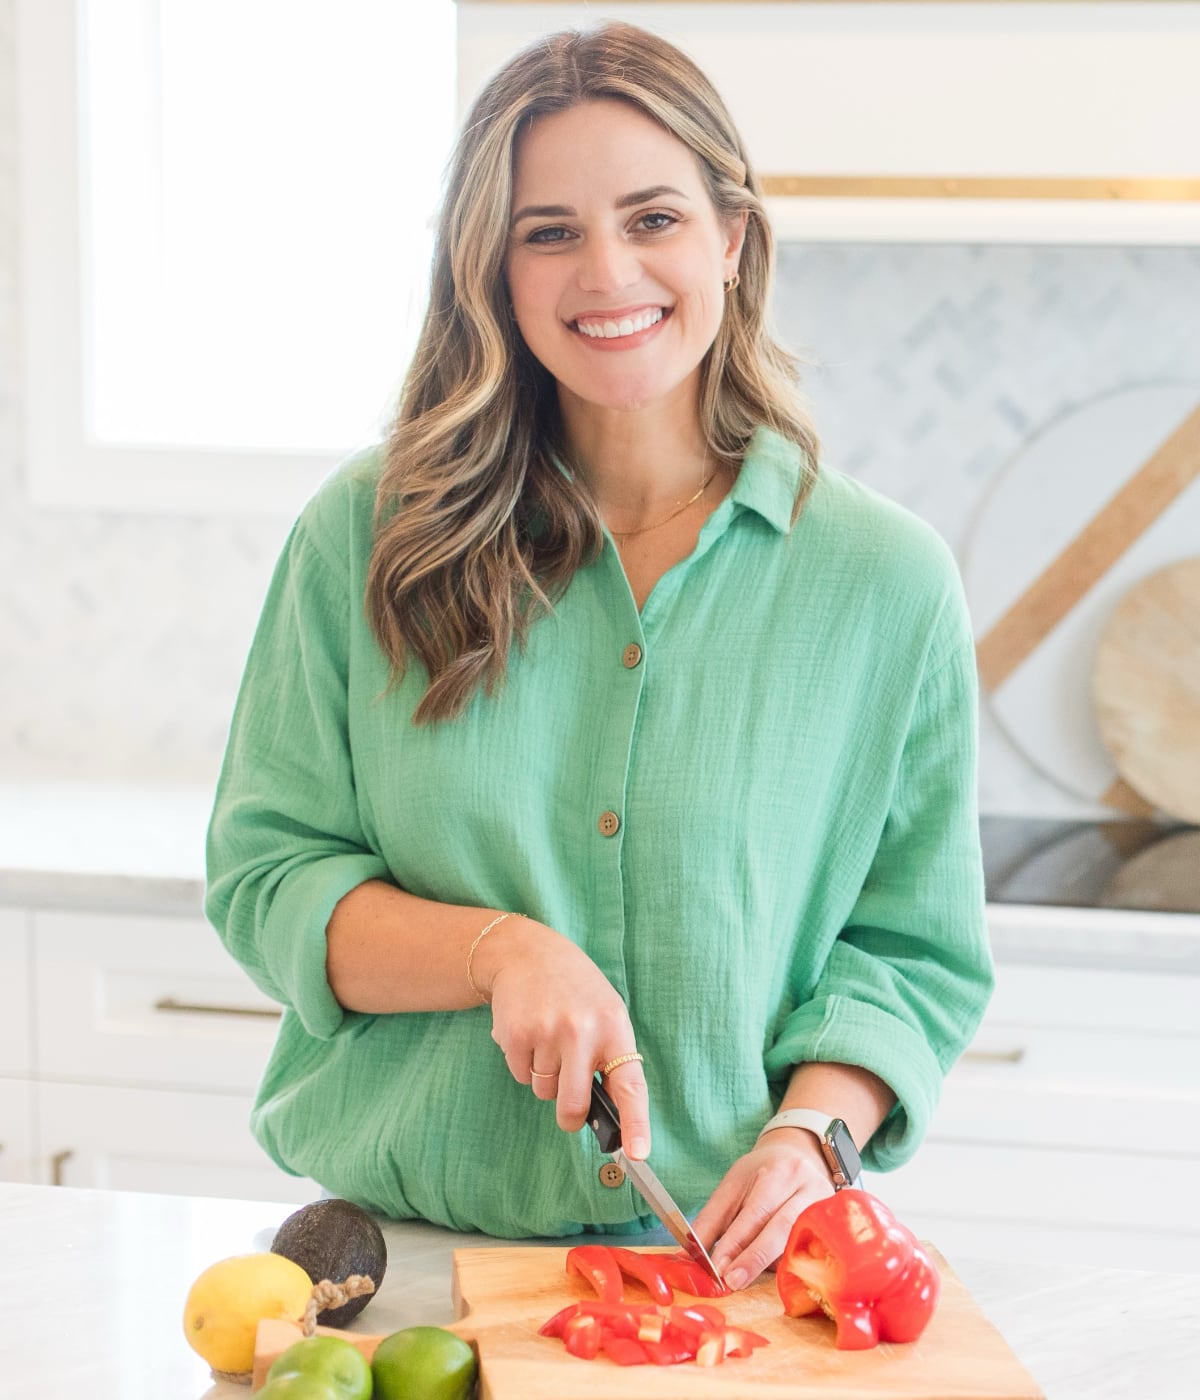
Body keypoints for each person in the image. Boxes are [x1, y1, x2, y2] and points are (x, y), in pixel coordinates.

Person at [206, 20, 993, 1293]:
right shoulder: (364, 535)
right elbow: (268, 879)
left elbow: (909, 953)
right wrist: (498, 948)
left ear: (730, 239)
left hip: (721, 1281)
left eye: (654, 218)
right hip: (395, 1271)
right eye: (549, 230)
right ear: (494, 272)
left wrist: (812, 1132)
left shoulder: (883, 583)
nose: (607, 270)